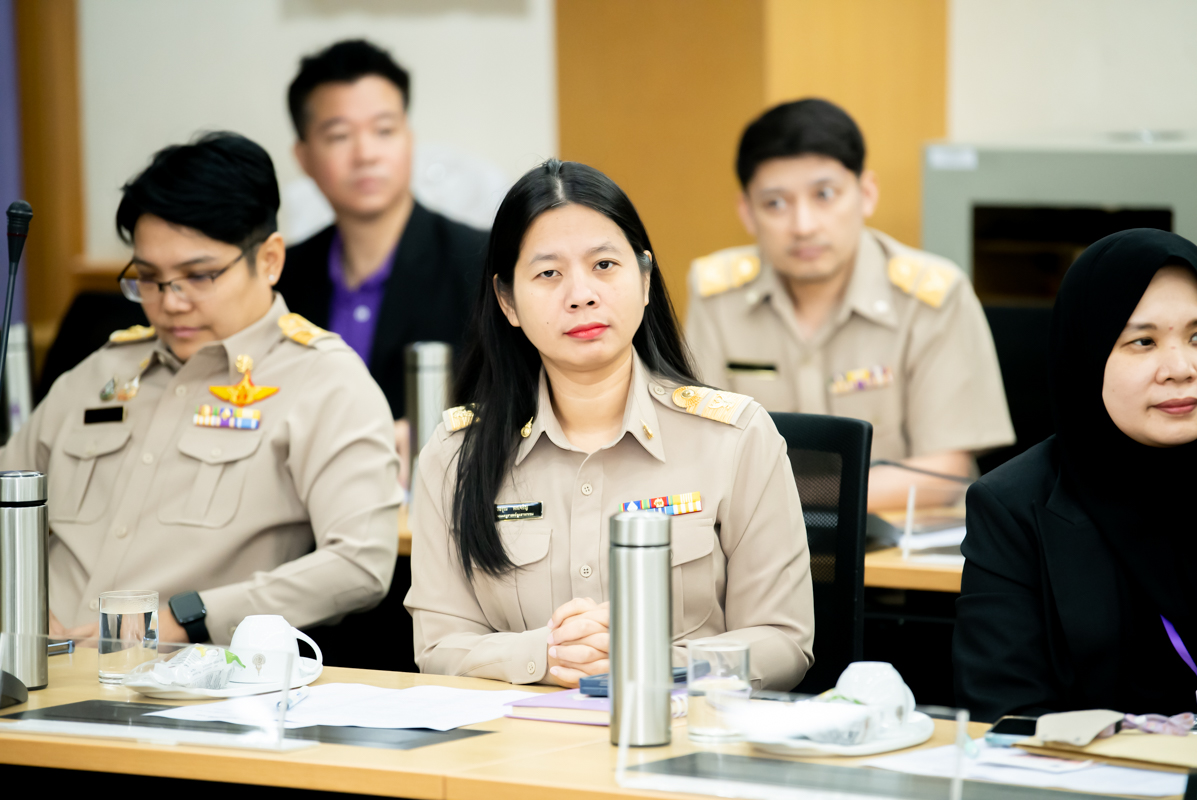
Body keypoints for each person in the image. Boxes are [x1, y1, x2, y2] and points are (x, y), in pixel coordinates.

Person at [404, 159, 814, 690]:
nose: (581, 294)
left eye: (604, 265)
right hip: (519, 737)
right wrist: (544, 655)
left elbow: (783, 641)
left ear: (644, 280)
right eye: (549, 274)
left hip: (680, 728)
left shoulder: (735, 438)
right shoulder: (455, 454)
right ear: (507, 301)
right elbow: (438, 647)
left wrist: (645, 661)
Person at [0, 132, 402, 645]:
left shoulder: (324, 382)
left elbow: (359, 564)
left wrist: (181, 621)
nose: (171, 302)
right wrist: (18, 604)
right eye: (149, 278)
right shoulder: (102, 370)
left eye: (199, 276)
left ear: (269, 260)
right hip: (32, 665)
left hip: (179, 677)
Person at [685, 99, 1014, 511]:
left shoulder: (933, 297)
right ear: (747, 213)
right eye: (775, 203)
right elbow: (700, 450)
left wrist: (783, 497)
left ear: (866, 194)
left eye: (824, 195)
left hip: (892, 542)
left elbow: (945, 474)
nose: (803, 226)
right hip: (754, 543)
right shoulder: (717, 296)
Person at [954, 229, 1197, 722]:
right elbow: (1006, 712)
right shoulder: (1012, 508)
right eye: (1143, 342)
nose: (1180, 367)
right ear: (1086, 355)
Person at [278, 39, 488, 489]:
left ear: (409, 139)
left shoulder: (481, 264)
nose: (366, 154)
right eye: (339, 136)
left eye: (384, 130)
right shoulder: (279, 279)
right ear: (304, 157)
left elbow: (529, 400)